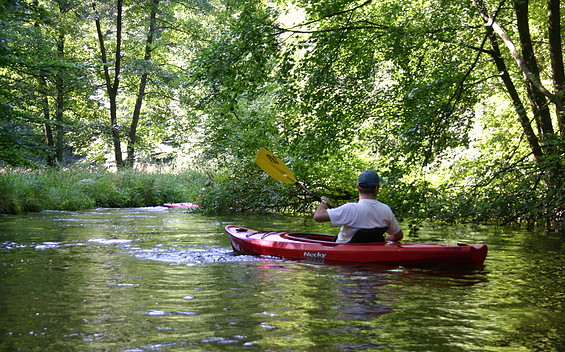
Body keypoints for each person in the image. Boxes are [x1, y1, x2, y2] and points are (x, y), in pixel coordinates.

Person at [313, 170, 403, 243]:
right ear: (376, 189)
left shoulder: (350, 209)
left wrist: (324, 202)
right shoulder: (385, 210)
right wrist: (383, 240)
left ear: (357, 187)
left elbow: (318, 217)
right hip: (371, 252)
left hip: (344, 257)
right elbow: (398, 236)